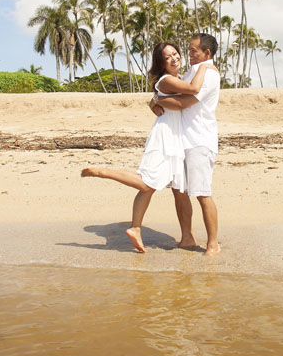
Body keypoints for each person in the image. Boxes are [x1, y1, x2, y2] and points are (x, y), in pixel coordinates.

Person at [81, 41, 213, 253]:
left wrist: (154, 101)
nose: (175, 58)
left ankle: (185, 237)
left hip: (178, 137)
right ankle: (104, 172)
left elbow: (173, 96)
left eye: (176, 53)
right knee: (147, 183)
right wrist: (205, 66)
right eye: (168, 57)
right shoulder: (166, 80)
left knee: (180, 190)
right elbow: (193, 90)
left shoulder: (177, 78)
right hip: (165, 137)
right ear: (161, 63)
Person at [151, 33, 221, 256]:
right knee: (180, 191)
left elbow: (185, 102)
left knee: (202, 192)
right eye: (188, 50)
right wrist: (154, 101)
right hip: (182, 139)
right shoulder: (193, 69)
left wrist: (157, 100)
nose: (188, 54)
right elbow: (170, 86)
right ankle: (187, 238)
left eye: (194, 51)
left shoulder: (207, 72)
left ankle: (213, 244)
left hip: (200, 140)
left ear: (206, 53)